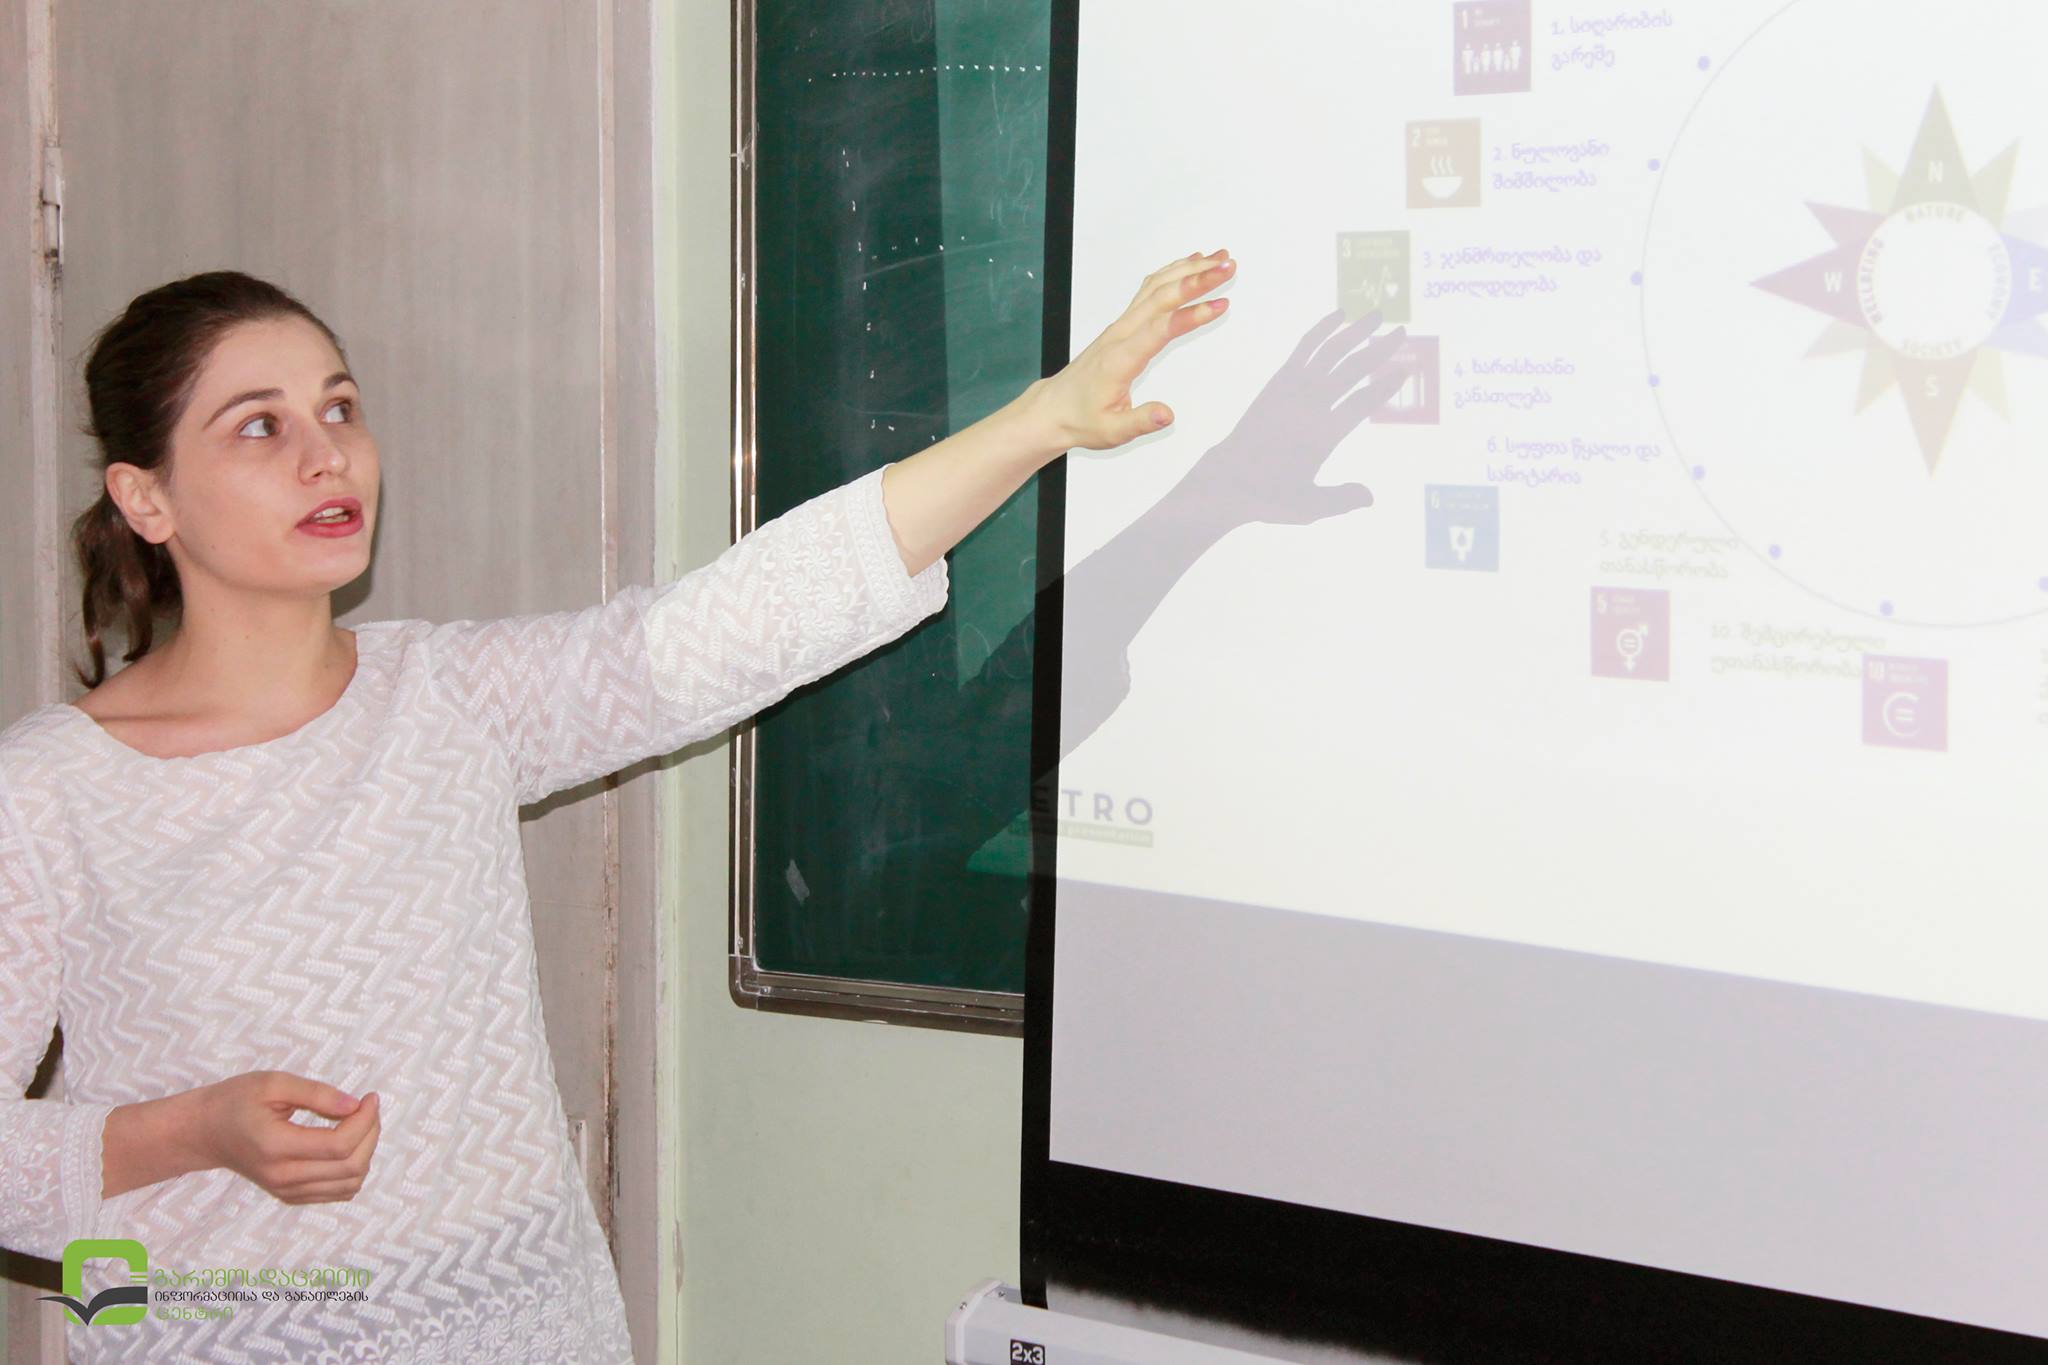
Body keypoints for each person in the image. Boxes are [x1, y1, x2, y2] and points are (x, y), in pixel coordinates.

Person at [0, 249, 1236, 1362]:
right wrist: (194, 1131)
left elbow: (736, 624)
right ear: (146, 500)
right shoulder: (50, 791)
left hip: (522, 1321)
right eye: (258, 427)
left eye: (339, 407)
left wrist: (1041, 419)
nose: (327, 455)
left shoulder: (453, 701)